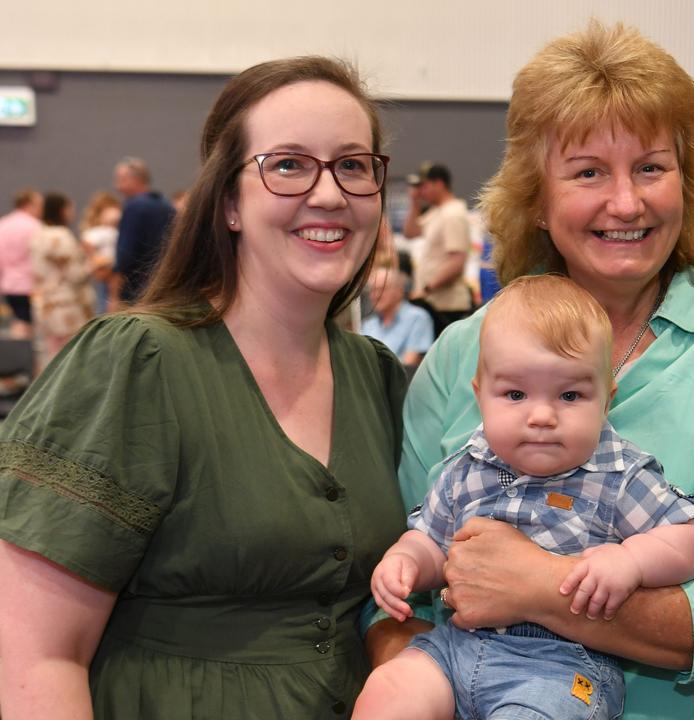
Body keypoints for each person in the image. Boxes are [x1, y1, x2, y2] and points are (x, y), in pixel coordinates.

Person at [364, 22, 694, 720]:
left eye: (650, 167)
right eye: (587, 172)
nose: (627, 202)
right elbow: (389, 585)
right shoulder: (464, 352)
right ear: (538, 200)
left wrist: (541, 587)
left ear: (687, 182)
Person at [0, 56, 407, 719]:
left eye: (354, 165)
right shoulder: (137, 365)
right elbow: (33, 657)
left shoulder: (377, 376)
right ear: (228, 203)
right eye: (289, 165)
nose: (330, 194)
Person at [356, 274, 694, 719]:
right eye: (516, 394)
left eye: (570, 395)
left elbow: (691, 538)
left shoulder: (617, 474)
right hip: (455, 647)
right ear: (480, 397)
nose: (542, 415)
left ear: (606, 401)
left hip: (560, 668)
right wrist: (405, 562)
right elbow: (431, 540)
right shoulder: (466, 469)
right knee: (388, 688)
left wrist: (631, 561)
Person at [404, 162, 473, 332]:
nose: (421, 191)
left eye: (424, 185)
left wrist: (427, 289)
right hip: (433, 303)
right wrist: (415, 203)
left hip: (447, 306)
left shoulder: (452, 214)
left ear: (439, 184)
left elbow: (457, 262)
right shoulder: (437, 212)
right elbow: (410, 232)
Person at [29, 191, 95, 369]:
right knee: (68, 356)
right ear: (62, 210)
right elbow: (75, 275)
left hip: (43, 301)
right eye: (70, 208)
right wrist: (91, 260)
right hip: (65, 304)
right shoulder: (62, 236)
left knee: (48, 352)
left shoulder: (38, 234)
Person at [111, 156, 176, 307]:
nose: (116, 184)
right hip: (164, 286)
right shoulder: (166, 206)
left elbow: (125, 254)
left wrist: (114, 293)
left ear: (135, 179)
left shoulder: (134, 207)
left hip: (136, 290)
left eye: (121, 178)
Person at [362, 264, 435, 367]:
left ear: (399, 291)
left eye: (382, 289)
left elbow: (409, 366)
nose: (376, 295)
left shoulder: (418, 318)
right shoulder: (368, 324)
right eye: (372, 290)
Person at [0, 188, 42, 337]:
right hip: (30, 286)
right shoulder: (35, 226)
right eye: (38, 205)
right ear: (28, 204)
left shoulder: (3, 224)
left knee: (19, 323)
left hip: (8, 285)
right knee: (32, 327)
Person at [79, 190, 122, 314]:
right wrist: (97, 260)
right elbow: (87, 243)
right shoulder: (101, 232)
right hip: (105, 269)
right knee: (106, 300)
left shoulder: (103, 232)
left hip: (107, 269)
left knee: (107, 299)